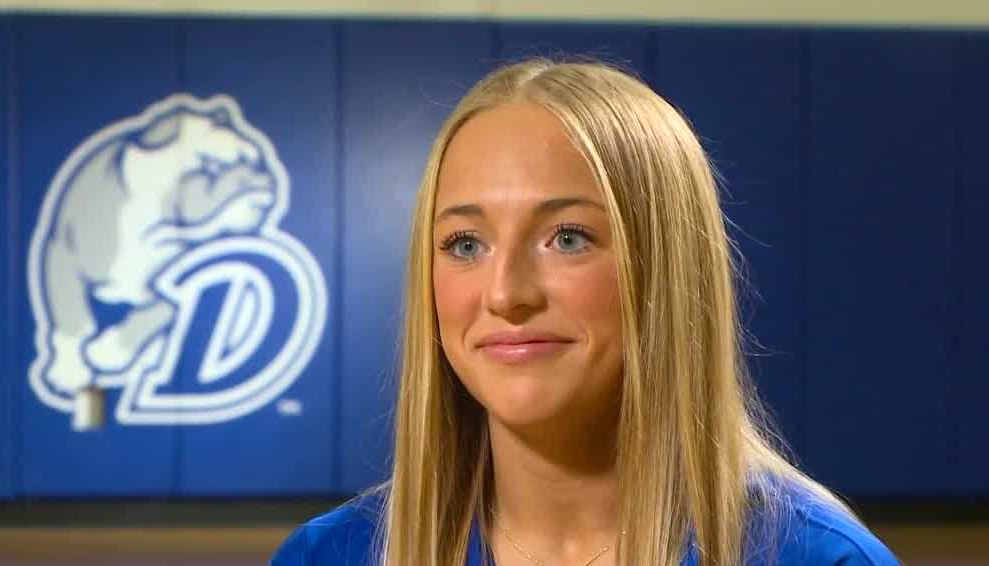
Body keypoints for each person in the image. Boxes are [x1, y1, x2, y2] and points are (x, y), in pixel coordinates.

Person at [271, 58, 900, 566]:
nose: (505, 294)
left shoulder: (816, 557)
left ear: (665, 267)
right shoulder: (332, 555)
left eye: (567, 237)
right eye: (466, 244)